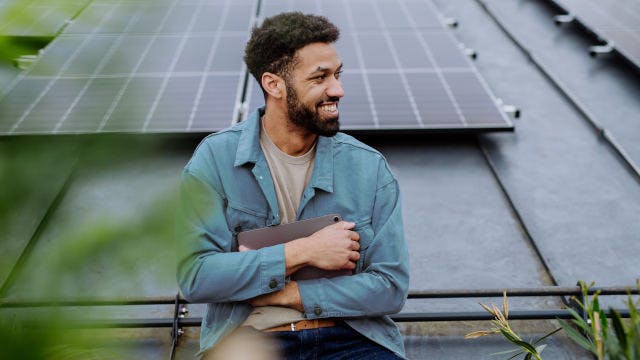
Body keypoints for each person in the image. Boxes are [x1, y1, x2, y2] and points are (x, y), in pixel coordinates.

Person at [177, 12, 409, 359]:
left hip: (352, 339)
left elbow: (390, 288)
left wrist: (290, 294)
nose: (338, 89)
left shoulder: (368, 167)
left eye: (337, 74)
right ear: (274, 84)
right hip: (250, 341)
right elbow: (196, 276)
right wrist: (303, 252)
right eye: (320, 78)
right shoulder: (216, 159)